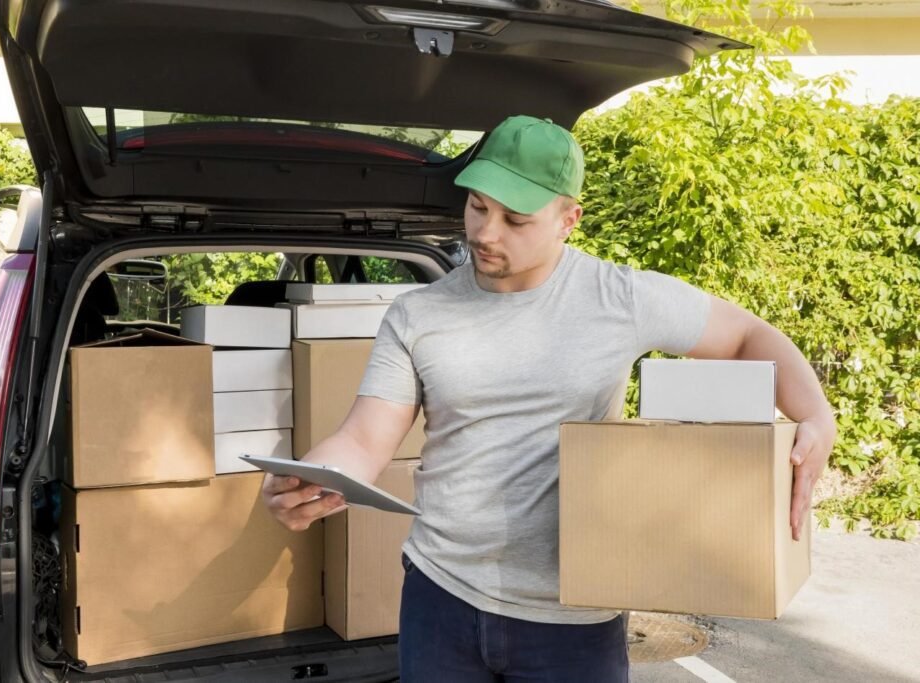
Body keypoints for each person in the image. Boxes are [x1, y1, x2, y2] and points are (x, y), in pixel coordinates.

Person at [261, 115, 836, 682]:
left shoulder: (619, 298)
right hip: (442, 596)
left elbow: (747, 335)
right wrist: (311, 477)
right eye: (478, 207)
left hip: (574, 614)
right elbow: (365, 439)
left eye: (515, 219)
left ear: (569, 219)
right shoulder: (418, 314)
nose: (487, 233)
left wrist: (815, 415)